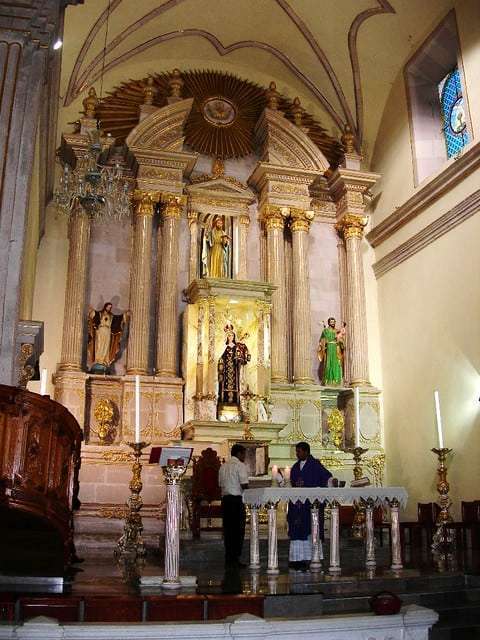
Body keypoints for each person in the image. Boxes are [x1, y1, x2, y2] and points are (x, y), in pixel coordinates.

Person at [287, 442, 332, 571]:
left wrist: (331, 481)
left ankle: (313, 556)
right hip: (297, 506)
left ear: (306, 452)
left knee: (310, 530)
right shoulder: (295, 467)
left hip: (310, 506)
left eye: (299, 451)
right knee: (297, 530)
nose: (297, 454)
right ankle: (297, 559)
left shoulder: (315, 465)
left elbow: (327, 477)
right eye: (296, 452)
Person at [218, 444, 249, 567]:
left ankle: (228, 557)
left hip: (226, 501)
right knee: (238, 530)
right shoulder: (240, 466)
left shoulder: (223, 466)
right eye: (244, 454)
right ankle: (235, 558)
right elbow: (244, 484)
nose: (244, 456)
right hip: (236, 501)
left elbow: (220, 484)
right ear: (240, 453)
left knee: (228, 530)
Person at [87, 302, 129, 373]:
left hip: (108, 332)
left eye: (110, 307)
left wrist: (124, 314)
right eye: (108, 307)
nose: (109, 308)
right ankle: (98, 360)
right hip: (100, 331)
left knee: (106, 346)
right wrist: (91, 311)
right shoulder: (100, 314)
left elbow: (118, 318)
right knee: (99, 346)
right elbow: (94, 315)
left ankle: (104, 360)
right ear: (105, 307)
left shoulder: (111, 316)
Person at [318, 317, 345, 385]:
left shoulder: (337, 331)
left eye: (334, 322)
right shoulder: (325, 331)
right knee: (329, 364)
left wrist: (341, 341)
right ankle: (328, 381)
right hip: (329, 348)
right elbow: (321, 340)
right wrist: (325, 342)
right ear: (329, 323)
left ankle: (336, 381)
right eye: (331, 322)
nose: (333, 323)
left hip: (336, 349)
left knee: (337, 364)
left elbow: (342, 340)